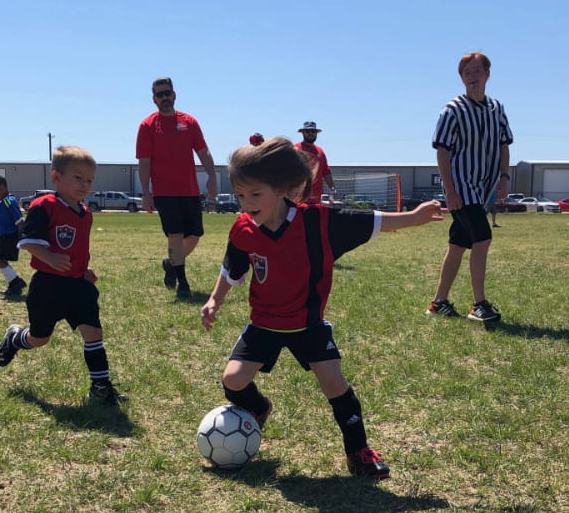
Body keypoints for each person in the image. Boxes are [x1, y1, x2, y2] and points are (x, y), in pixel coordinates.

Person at [200, 138, 442, 479]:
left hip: (308, 324)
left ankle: (359, 452)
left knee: (334, 383)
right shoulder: (242, 228)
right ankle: (259, 408)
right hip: (264, 324)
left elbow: (372, 221)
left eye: (255, 194)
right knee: (233, 380)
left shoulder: (320, 223)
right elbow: (233, 269)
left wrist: (413, 218)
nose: (246, 203)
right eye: (240, 195)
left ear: (283, 189)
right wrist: (214, 300)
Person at [0, 146, 127, 405]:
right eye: (78, 177)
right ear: (56, 177)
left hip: (78, 286)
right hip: (48, 286)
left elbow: (77, 248)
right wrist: (50, 257)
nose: (84, 184)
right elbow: (27, 241)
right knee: (39, 338)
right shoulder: (44, 206)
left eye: (89, 180)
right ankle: (15, 339)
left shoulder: (85, 212)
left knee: (93, 333)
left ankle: (100, 387)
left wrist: (83, 269)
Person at [426, 52, 512, 321]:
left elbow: (504, 144)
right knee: (482, 239)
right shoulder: (452, 110)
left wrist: (504, 177)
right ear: (461, 78)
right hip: (462, 188)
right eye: (466, 73)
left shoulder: (496, 108)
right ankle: (479, 304)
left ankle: (439, 303)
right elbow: (442, 151)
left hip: (484, 187)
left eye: (476, 71)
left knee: (457, 244)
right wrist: (449, 191)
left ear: (487, 74)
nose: (472, 77)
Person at [136, 77, 217, 298]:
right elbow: (144, 162)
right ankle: (183, 283)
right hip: (164, 192)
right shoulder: (147, 126)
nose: (165, 98)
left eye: (167, 93)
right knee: (175, 234)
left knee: (194, 235)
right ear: (154, 99)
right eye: (160, 95)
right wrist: (146, 192)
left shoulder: (189, 122)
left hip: (190, 190)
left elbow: (203, 151)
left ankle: (170, 264)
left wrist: (212, 176)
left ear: (174, 94)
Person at [0, 175, 27, 296]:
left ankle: (16, 282)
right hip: (5, 237)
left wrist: (22, 235)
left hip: (10, 237)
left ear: (2, 188)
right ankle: (14, 286)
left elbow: (19, 219)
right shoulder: (5, 201)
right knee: (0, 260)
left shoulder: (9, 201)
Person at [294, 121, 337, 204]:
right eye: (307, 131)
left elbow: (326, 172)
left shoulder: (320, 151)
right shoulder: (295, 149)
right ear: (302, 133)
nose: (310, 133)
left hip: (316, 198)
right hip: (297, 197)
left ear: (316, 133)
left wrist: (332, 188)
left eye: (313, 131)